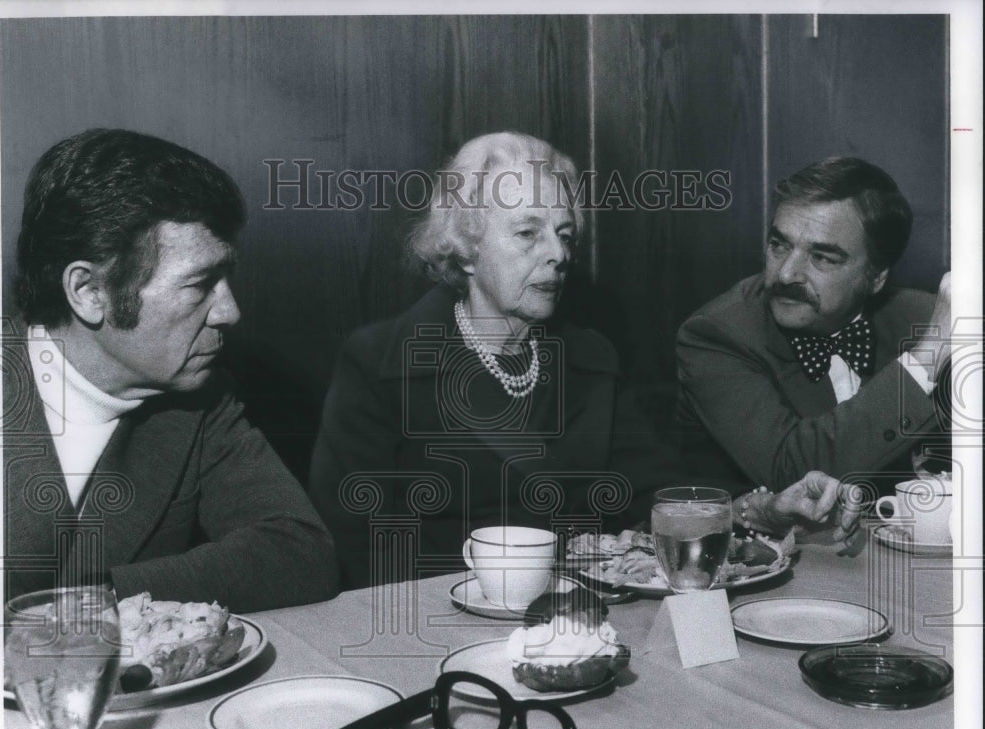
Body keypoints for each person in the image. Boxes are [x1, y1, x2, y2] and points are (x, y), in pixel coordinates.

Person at [310, 132, 862, 590]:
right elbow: (357, 546)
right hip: (443, 625)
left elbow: (653, 495)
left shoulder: (589, 358)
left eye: (564, 233)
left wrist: (763, 511)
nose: (558, 253)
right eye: (528, 232)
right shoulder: (380, 362)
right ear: (466, 246)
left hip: (588, 617)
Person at [3, 128, 339, 612]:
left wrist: (96, 603)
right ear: (89, 292)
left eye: (226, 279)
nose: (229, 312)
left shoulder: (202, 397)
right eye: (201, 284)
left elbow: (301, 553)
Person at [676, 156, 951, 494]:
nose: (786, 274)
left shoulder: (922, 318)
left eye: (822, 257)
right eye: (779, 245)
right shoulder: (716, 334)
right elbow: (791, 472)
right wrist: (927, 358)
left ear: (876, 278)